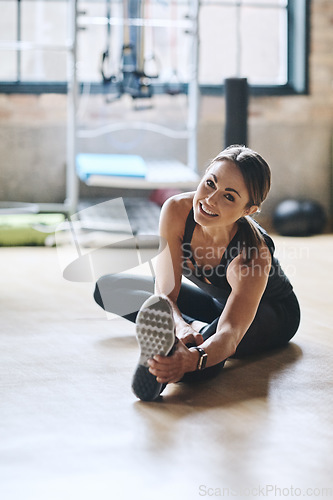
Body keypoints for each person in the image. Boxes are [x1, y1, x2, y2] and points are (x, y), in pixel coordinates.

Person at [94, 145, 300, 401]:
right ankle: (194, 330)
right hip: (216, 305)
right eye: (210, 183)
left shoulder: (251, 255)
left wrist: (191, 359)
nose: (210, 199)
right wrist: (178, 325)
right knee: (107, 289)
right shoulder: (177, 211)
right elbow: (165, 291)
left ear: (248, 210)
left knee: (203, 358)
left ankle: (174, 361)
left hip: (270, 314)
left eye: (229, 197)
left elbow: (230, 333)